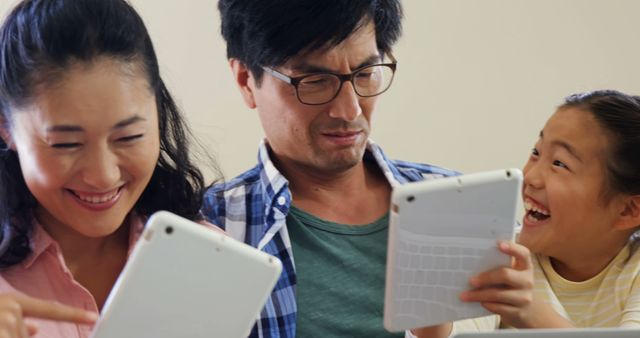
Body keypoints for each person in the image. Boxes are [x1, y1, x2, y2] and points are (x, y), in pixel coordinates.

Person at [202, 1, 457, 337]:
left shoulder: (451, 200)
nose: (349, 109)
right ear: (246, 80)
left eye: (365, 74)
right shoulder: (211, 226)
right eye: (315, 81)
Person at [0, 0, 216, 336]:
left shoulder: (209, 261)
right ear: (6, 128)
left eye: (128, 137)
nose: (103, 175)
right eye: (66, 144)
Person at [412, 90, 640, 338]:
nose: (530, 177)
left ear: (628, 210)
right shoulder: (501, 255)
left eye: (560, 164)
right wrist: (431, 299)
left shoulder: (633, 274)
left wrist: (530, 311)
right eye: (536, 152)